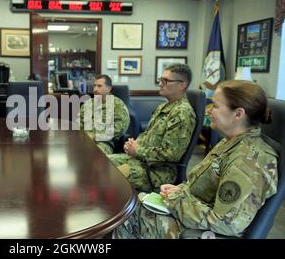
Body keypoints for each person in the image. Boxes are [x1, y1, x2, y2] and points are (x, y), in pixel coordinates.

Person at [113, 80, 278, 239]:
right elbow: (204, 186)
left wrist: (175, 200)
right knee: (128, 206)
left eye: (215, 106)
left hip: (200, 231)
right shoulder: (230, 141)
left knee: (125, 217)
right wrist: (180, 190)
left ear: (238, 114)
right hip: (190, 215)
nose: (208, 111)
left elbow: (225, 222)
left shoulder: (248, 162)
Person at [108, 63, 196, 192]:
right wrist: (133, 144)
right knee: (102, 162)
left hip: (158, 172)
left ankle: (119, 210)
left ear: (182, 85)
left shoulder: (182, 113)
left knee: (109, 176)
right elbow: (147, 133)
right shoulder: (164, 106)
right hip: (142, 161)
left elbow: (171, 155)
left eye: (166, 81)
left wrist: (137, 151)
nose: (160, 84)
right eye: (161, 79)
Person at [78, 74, 129, 154]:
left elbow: (120, 129)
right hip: (84, 140)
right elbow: (79, 124)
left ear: (108, 88)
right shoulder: (87, 104)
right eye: (94, 86)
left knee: (92, 155)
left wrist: (96, 137)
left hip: (103, 142)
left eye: (99, 86)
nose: (95, 89)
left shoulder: (117, 105)